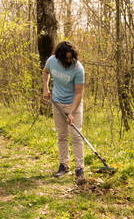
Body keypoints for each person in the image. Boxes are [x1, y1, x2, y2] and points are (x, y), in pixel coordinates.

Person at [42, 41, 85, 180]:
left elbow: (79, 93)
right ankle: (64, 165)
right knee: (61, 135)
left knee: (76, 136)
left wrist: (72, 112)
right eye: (66, 58)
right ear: (59, 57)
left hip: (73, 104)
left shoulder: (78, 69)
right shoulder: (51, 61)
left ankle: (80, 169)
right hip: (57, 102)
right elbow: (45, 72)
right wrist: (46, 88)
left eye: (71, 57)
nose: (69, 60)